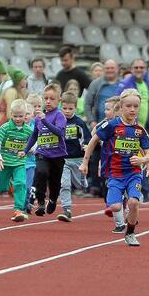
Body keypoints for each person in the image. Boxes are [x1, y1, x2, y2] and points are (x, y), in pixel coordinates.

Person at [79, 89, 149, 246]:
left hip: (133, 173)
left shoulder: (140, 130)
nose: (132, 109)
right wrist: (85, 162)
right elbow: (93, 140)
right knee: (115, 206)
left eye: (136, 106)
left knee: (134, 202)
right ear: (121, 107)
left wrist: (144, 160)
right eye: (128, 106)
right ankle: (124, 211)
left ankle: (131, 233)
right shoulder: (111, 125)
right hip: (115, 173)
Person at [24, 83, 68, 217]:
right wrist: (24, 151)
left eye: (52, 99)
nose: (48, 101)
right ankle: (41, 202)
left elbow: (59, 132)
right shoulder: (38, 118)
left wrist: (45, 121)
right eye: (46, 98)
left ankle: (53, 199)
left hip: (57, 155)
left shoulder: (59, 115)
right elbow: (34, 136)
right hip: (42, 153)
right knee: (41, 173)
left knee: (55, 182)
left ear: (59, 101)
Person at [0, 98, 33, 222]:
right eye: (15, 116)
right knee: (2, 188)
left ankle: (18, 209)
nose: (17, 119)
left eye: (20, 116)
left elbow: (33, 144)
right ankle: (9, 184)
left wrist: (27, 151)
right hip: (5, 162)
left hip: (19, 162)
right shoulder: (5, 128)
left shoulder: (28, 130)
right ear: (11, 114)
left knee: (21, 183)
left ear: (25, 115)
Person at [57, 92, 91, 222]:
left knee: (79, 184)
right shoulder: (58, 121)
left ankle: (83, 181)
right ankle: (67, 209)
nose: (67, 111)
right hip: (63, 158)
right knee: (64, 184)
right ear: (61, 107)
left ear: (75, 108)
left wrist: (86, 146)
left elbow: (86, 137)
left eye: (70, 109)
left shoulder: (79, 122)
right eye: (64, 108)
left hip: (78, 158)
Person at [116, 58, 149, 142]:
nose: (139, 70)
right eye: (136, 67)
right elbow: (118, 103)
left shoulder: (146, 83)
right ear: (131, 69)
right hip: (129, 127)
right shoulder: (125, 84)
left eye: (141, 67)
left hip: (147, 127)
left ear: (146, 69)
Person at [84, 59, 120, 128]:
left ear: (117, 69)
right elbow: (87, 104)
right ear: (104, 69)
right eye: (107, 68)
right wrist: (91, 121)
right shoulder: (95, 84)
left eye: (112, 68)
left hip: (119, 125)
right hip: (99, 125)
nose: (110, 70)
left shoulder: (123, 84)